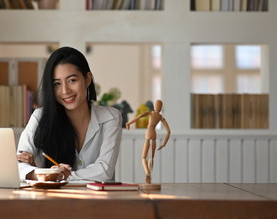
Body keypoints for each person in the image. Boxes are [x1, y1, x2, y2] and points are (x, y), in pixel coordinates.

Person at [17, 46, 123, 183]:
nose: (65, 91)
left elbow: (104, 170)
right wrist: (43, 174)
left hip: (97, 201)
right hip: (52, 201)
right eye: (57, 84)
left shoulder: (111, 118)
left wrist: (56, 176)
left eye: (72, 80)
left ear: (88, 79)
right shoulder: (40, 117)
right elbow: (19, 164)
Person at [125, 99, 171, 184]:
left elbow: (139, 116)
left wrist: (129, 123)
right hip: (154, 134)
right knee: (151, 157)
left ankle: (147, 173)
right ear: (160, 108)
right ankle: (150, 174)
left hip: (148, 132)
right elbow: (168, 131)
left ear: (155, 106)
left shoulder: (151, 113)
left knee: (143, 157)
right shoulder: (160, 117)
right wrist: (163, 144)